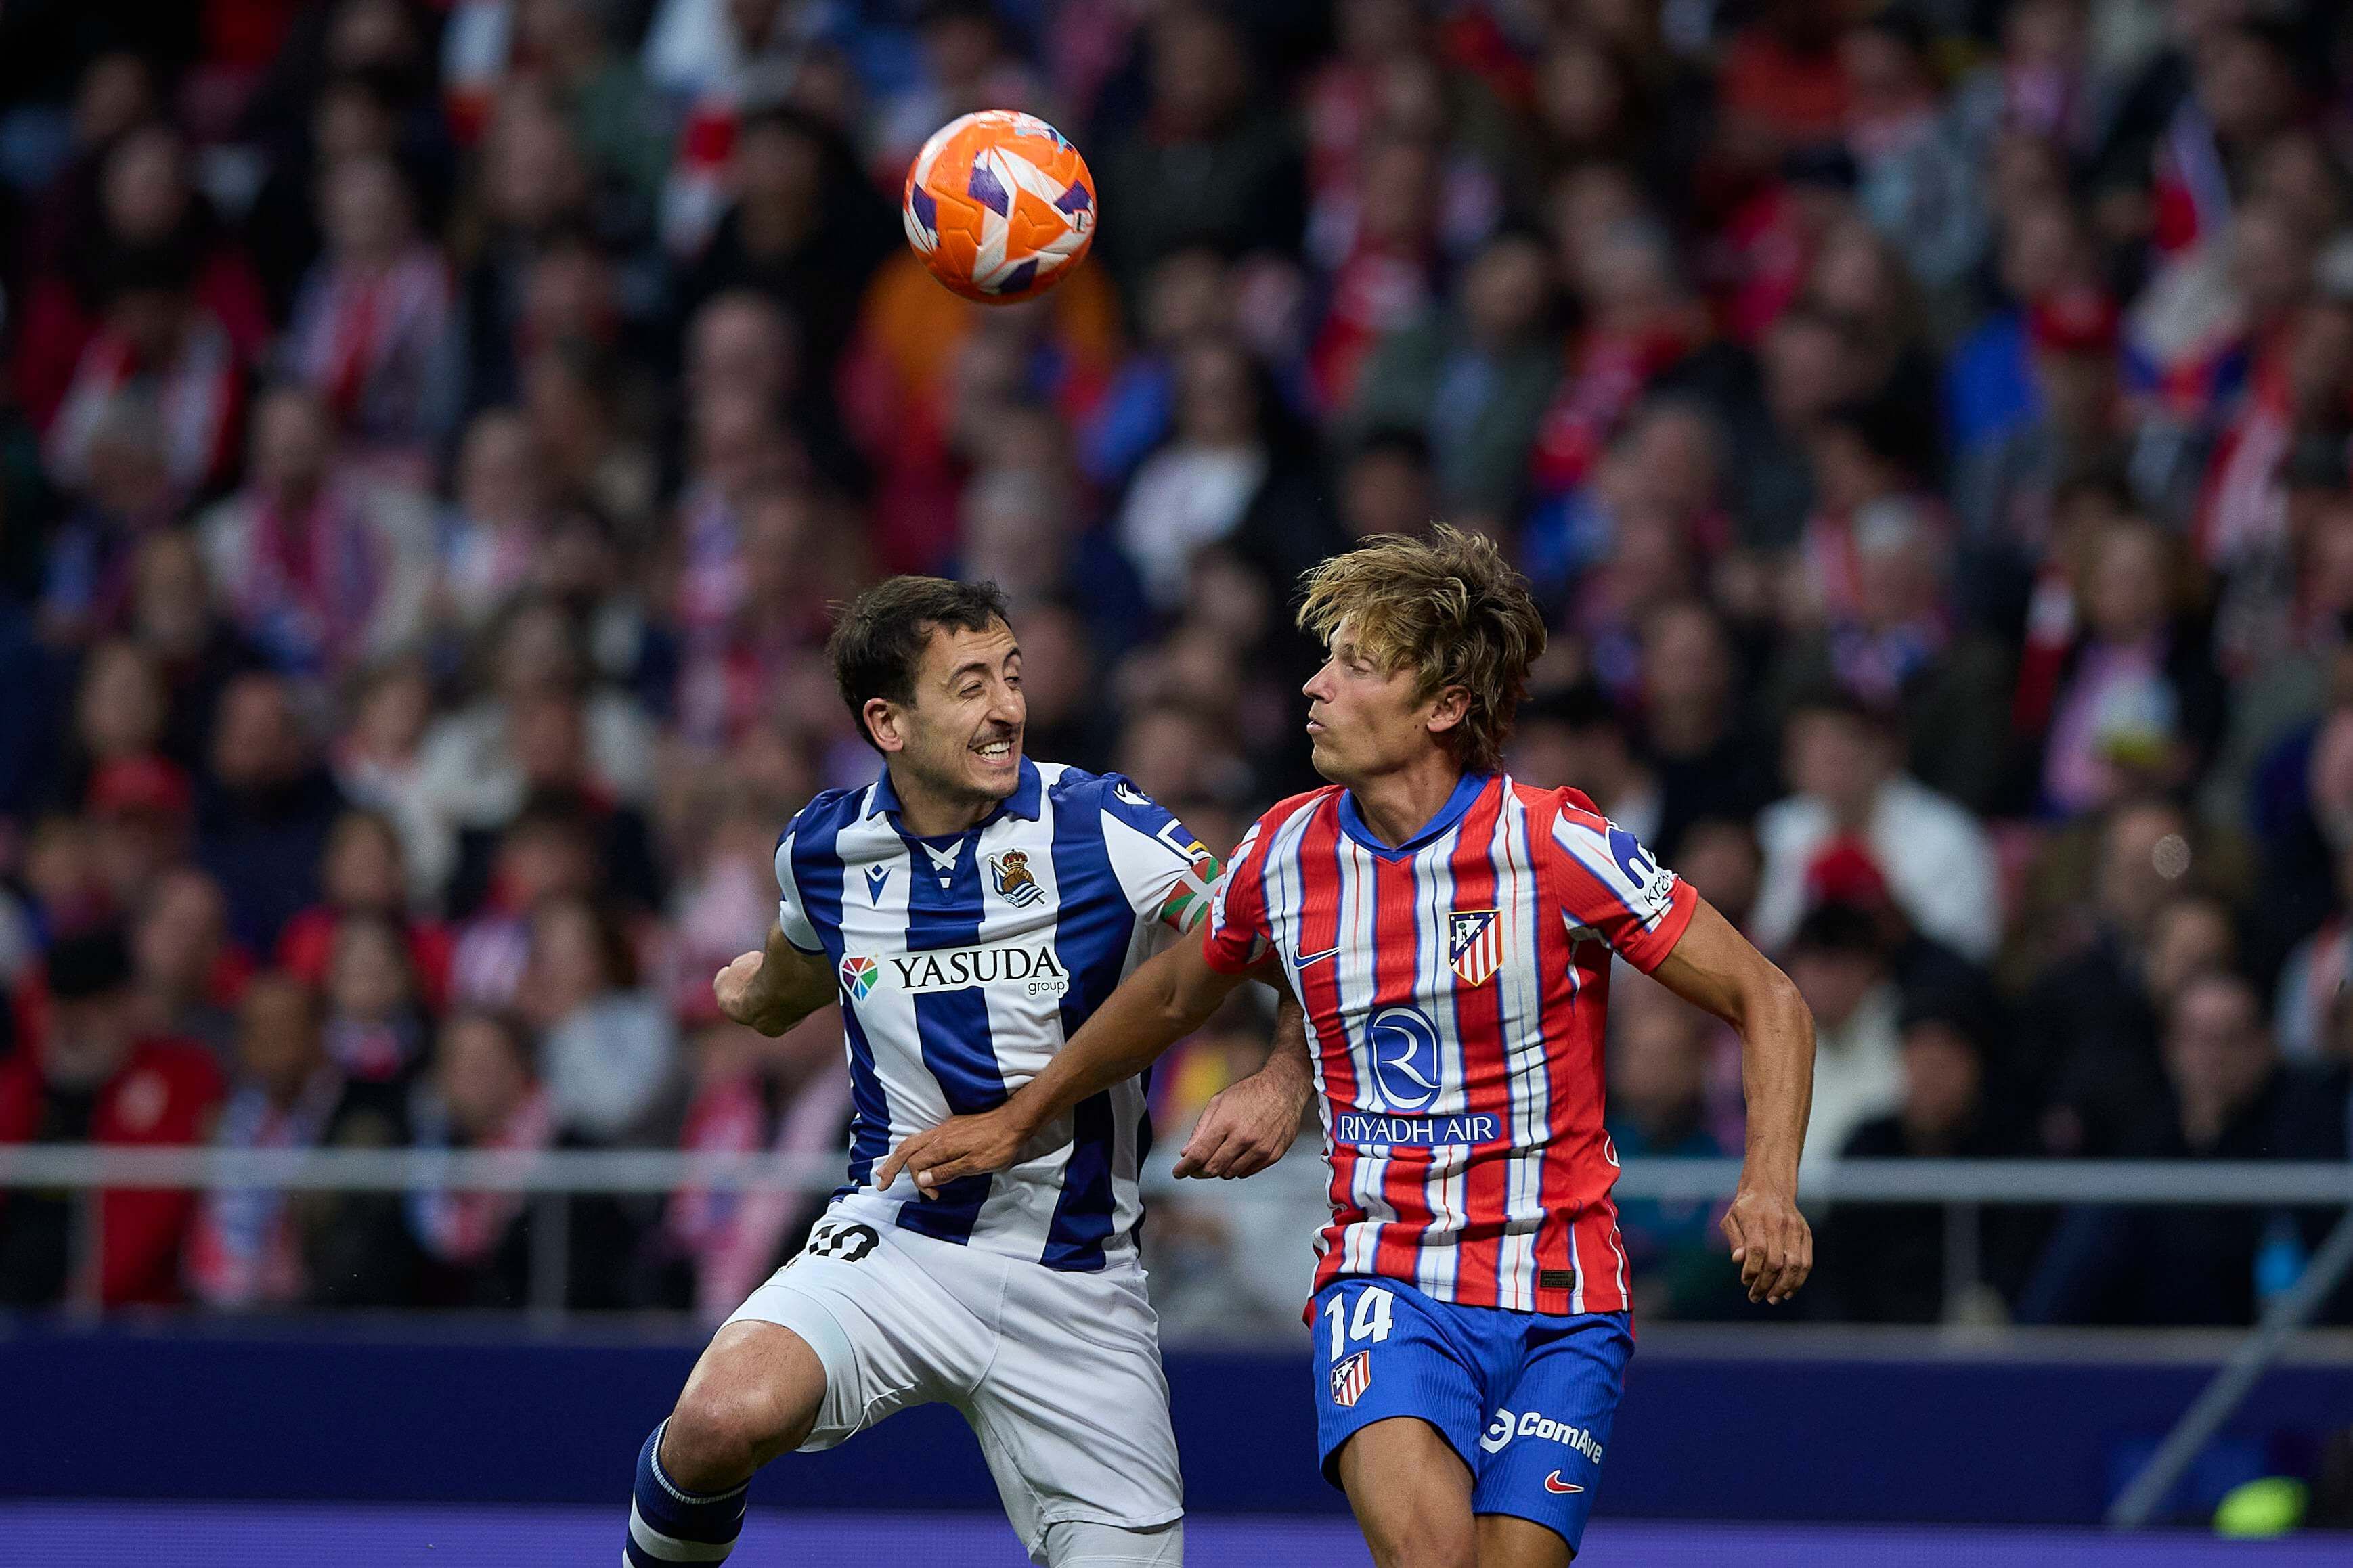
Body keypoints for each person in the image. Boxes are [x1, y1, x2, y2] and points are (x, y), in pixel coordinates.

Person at [885, 529, 1817, 1568]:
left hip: (1565, 1299)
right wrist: (1022, 1113)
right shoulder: (1284, 848)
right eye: (1324, 660)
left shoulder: (1551, 843)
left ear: (1446, 706)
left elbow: (1767, 996)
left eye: (1355, 666)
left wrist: (1769, 1180)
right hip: (1387, 1274)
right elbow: (1170, 993)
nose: (1315, 687)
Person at [623, 577, 1313, 1568]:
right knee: (717, 1419)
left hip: (1075, 1275)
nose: (1007, 709)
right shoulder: (822, 848)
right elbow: (793, 976)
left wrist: (1285, 1074)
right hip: (897, 1239)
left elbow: (1273, 939)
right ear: (887, 721)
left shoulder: (1101, 825)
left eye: (1014, 676)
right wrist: (753, 997)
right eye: (971, 685)